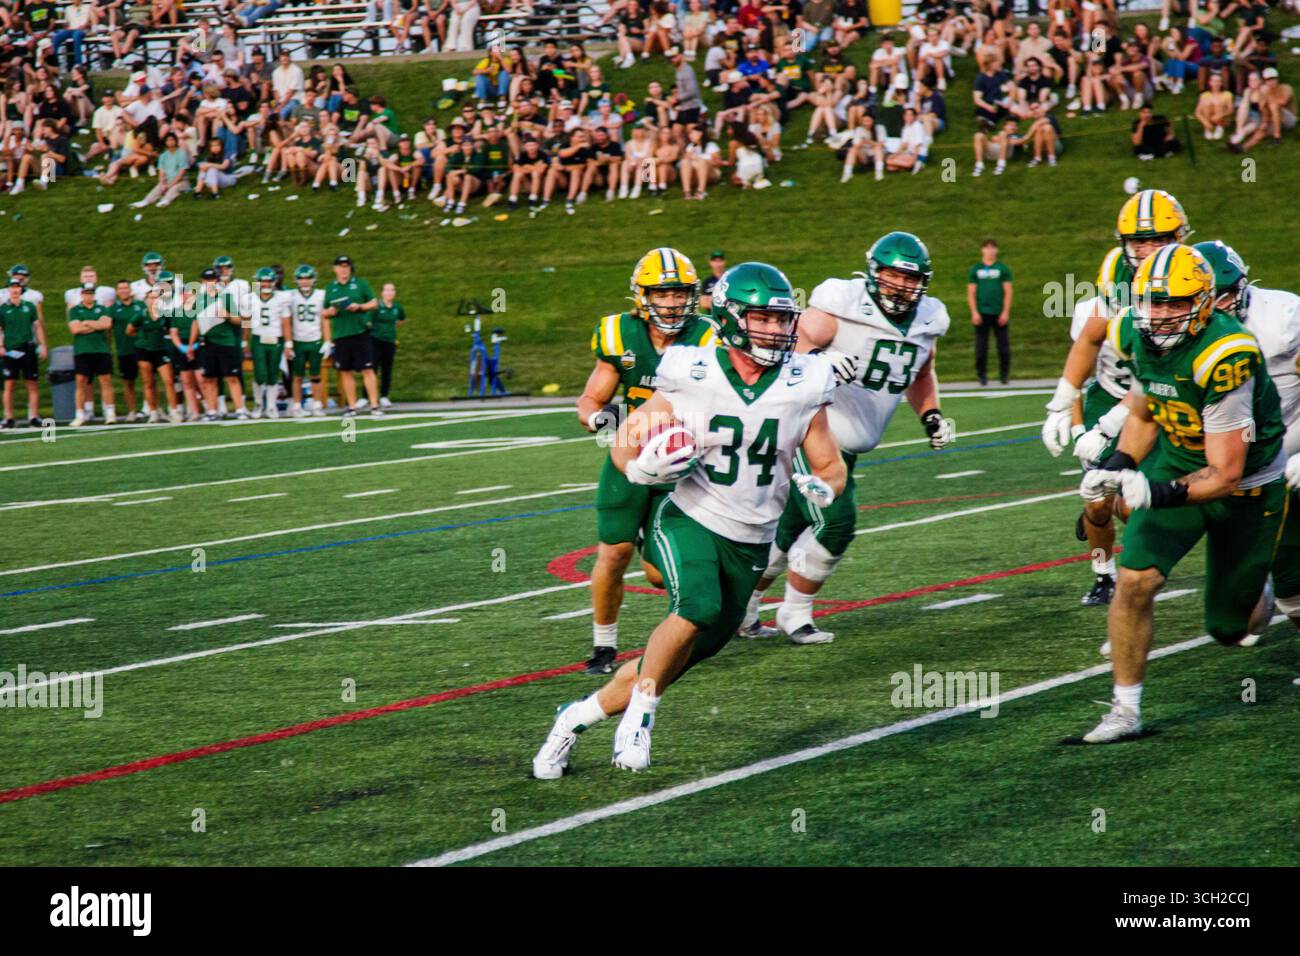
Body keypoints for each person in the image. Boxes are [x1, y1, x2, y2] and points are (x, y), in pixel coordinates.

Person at [532, 262, 846, 776]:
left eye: (781, 319)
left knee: (682, 654)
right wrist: (642, 465)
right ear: (729, 318)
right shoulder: (691, 371)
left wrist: (822, 488)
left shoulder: (804, 380)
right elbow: (624, 443)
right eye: (762, 319)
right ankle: (640, 717)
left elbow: (830, 465)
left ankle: (573, 719)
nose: (775, 329)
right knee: (696, 605)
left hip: (752, 539)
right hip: (690, 517)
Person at [1077, 244, 1287, 743]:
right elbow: (1149, 406)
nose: (1163, 313)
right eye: (1154, 301)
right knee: (1135, 580)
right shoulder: (1131, 329)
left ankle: (1259, 592)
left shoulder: (1227, 353)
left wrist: (1151, 492)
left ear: (1207, 303)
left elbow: (1225, 473)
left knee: (1230, 629)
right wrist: (1118, 464)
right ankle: (1126, 711)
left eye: (1176, 303)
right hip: (1180, 455)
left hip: (1247, 487)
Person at [742, 233, 955, 644]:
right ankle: (795, 612)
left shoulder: (929, 319)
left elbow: (921, 371)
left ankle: (743, 608)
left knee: (788, 529)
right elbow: (783, 352)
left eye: (911, 279)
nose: (902, 286)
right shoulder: (840, 303)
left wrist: (930, 415)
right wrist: (821, 360)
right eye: (894, 275)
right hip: (811, 430)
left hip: (849, 443)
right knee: (836, 522)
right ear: (875, 273)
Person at [1045, 189, 1190, 606]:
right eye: (1138, 241)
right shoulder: (1108, 291)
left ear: (1179, 237)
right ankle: (1102, 571)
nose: (1147, 251)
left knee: (1132, 505)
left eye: (1158, 239)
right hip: (1109, 397)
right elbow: (1081, 359)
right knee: (1096, 501)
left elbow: (1158, 372)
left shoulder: (1192, 281)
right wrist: (1073, 422)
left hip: (1165, 396)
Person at [577, 248, 719, 675]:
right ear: (642, 296)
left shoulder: (709, 337)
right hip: (630, 455)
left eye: (680, 294)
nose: (673, 303)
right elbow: (590, 399)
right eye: (663, 294)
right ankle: (604, 646)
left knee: (659, 575)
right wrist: (598, 417)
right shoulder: (620, 334)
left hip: (681, 463)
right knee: (614, 551)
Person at [1193, 239, 1300, 648]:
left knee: (1295, 584)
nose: (1225, 305)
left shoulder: (1281, 319)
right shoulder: (1184, 336)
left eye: (1230, 294)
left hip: (1290, 436)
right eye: (1214, 298)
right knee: (1242, 623)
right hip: (1236, 457)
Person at [323, 255, 382, 417]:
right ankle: (352, 406)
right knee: (345, 371)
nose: (344, 270)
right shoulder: (330, 288)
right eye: (341, 267)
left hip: (360, 333)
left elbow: (374, 303)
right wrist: (330, 312)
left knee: (367, 369)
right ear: (335, 269)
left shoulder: (360, 284)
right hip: (341, 334)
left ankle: (374, 405)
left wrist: (360, 307)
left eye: (346, 267)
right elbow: (324, 312)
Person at [130, 287, 181, 424]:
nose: (153, 300)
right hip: (144, 350)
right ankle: (153, 412)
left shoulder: (165, 314)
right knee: (149, 383)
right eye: (151, 298)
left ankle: (174, 411)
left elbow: (172, 330)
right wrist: (142, 339)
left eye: (156, 298)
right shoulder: (141, 314)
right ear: (146, 300)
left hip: (160, 349)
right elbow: (129, 330)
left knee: (169, 381)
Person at [0, 277, 46, 428]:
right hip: (11, 348)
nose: (15, 290)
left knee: (32, 383)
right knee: (9, 383)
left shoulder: (29, 306)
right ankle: (9, 417)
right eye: (12, 287)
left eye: (17, 287)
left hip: (28, 348)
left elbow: (37, 326)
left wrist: (43, 344)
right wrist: (0, 346)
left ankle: (33, 416)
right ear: (8, 290)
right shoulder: (3, 309)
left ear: (21, 289)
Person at [68, 283, 115, 428]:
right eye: (86, 293)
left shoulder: (102, 308)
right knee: (81, 381)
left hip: (101, 349)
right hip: (83, 350)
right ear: (81, 294)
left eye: (91, 293)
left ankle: (110, 413)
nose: (89, 296)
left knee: (105, 380)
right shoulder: (75, 310)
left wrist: (87, 323)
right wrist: (96, 325)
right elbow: (75, 329)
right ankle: (80, 414)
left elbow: (106, 325)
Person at [967, 239, 1013, 385]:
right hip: (982, 312)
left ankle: (1004, 375)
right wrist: (974, 312)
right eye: (987, 248)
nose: (990, 251)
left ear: (996, 250)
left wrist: (1005, 312)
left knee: (1003, 347)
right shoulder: (976, 269)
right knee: (981, 348)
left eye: (993, 248)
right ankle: (982, 376)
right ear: (982, 250)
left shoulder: (1002, 269)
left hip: (998, 312)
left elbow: (1008, 291)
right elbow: (971, 292)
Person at [248, 267, 291, 419]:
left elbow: (285, 322)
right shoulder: (251, 297)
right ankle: (259, 404)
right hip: (258, 339)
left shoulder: (281, 298)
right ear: (258, 282)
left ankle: (271, 406)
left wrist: (288, 343)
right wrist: (243, 342)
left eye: (268, 281)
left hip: (275, 339)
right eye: (263, 281)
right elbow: (246, 320)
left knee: (273, 374)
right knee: (259, 375)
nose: (266, 284)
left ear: (274, 282)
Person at [289, 264, 330, 417]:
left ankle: (317, 405)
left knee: (315, 375)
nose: (305, 281)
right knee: (297, 375)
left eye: (308, 278)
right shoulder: (291, 295)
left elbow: (324, 318)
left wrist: (327, 340)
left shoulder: (321, 295)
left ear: (314, 280)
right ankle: (297, 405)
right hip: (298, 340)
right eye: (302, 278)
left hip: (315, 339)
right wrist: (288, 342)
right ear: (297, 280)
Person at [108, 279, 145, 422]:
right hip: (124, 349)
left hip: (142, 347)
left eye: (125, 288)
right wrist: (109, 346)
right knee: (128, 382)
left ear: (130, 290)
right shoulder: (113, 309)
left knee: (148, 380)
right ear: (117, 292)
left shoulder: (140, 306)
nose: (123, 291)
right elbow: (109, 330)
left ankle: (151, 408)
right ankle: (132, 411)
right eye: (120, 288)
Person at [372, 282, 405, 408]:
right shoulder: (377, 306)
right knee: (372, 369)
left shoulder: (397, 307)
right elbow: (369, 321)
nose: (389, 293)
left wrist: (392, 327)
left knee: (387, 369)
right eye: (387, 290)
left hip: (390, 341)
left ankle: (384, 396)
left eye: (392, 290)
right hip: (376, 340)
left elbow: (401, 320)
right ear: (382, 292)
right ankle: (367, 396)